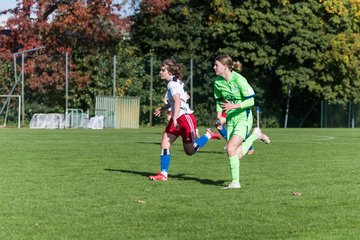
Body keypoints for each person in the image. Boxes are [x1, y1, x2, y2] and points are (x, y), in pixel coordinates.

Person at [150, 59, 221, 181]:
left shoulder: (172, 84)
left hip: (185, 119)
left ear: (170, 72)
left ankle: (208, 135)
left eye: (163, 70)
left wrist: (175, 117)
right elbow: (177, 100)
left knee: (190, 151)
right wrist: (164, 108)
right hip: (177, 118)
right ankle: (163, 174)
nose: (160, 72)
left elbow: (178, 101)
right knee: (165, 144)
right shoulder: (174, 82)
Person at [213, 54, 270, 189]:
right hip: (231, 119)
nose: (214, 67)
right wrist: (219, 117)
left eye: (217, 65)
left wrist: (234, 106)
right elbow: (219, 102)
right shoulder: (217, 82)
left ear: (225, 67)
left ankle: (235, 183)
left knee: (230, 148)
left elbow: (251, 100)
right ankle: (255, 135)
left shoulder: (239, 80)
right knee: (236, 154)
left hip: (243, 118)